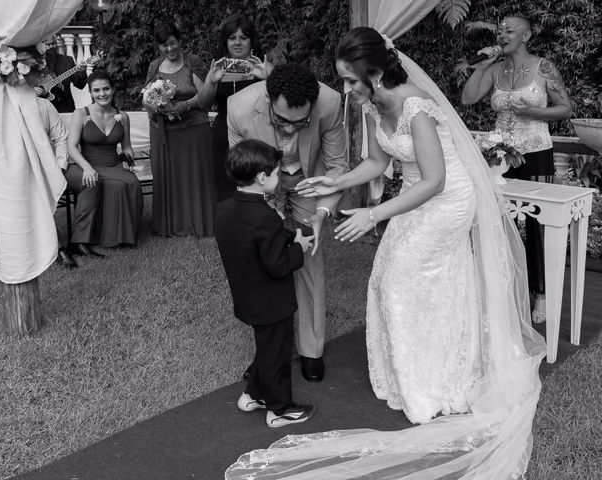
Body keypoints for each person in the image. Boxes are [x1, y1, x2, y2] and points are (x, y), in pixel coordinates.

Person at [226, 27, 545, 480]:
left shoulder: (416, 107)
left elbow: (435, 180)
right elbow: (377, 163)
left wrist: (373, 216)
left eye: (352, 80)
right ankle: (421, 374)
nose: (346, 89)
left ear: (374, 72)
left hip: (448, 201)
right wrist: (333, 184)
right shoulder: (372, 103)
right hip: (416, 197)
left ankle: (435, 385)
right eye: (344, 80)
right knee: (390, 280)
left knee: (401, 280)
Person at [227, 63, 349, 383]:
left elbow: (337, 167)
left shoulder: (330, 103)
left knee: (309, 255)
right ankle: (271, 346)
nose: (292, 130)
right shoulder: (238, 109)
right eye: (282, 121)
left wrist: (322, 215)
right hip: (264, 182)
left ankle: (311, 350)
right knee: (268, 257)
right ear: (269, 102)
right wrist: (273, 218)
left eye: (301, 122)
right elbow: (244, 174)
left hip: (311, 182)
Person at [461, 14, 572, 324]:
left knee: (536, 225)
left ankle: (541, 294)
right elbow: (468, 99)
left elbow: (566, 107)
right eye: (499, 30)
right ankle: (504, 288)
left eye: (509, 30)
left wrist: (535, 111)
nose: (502, 34)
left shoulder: (544, 67)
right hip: (500, 158)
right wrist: (483, 63)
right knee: (495, 221)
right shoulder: (494, 68)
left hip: (536, 153)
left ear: (527, 35)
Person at [215, 139, 316, 428]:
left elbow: (249, 242)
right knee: (278, 352)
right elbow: (279, 265)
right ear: (262, 177)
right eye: (276, 173)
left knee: (267, 348)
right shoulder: (266, 217)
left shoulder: (224, 209)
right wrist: (299, 248)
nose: (279, 177)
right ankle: (280, 409)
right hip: (273, 301)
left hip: (247, 294)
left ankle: (253, 394)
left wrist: (286, 238)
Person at [144, 22, 214, 237]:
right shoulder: (154, 67)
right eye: (164, 46)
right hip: (163, 131)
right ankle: (170, 224)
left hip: (193, 129)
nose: (169, 49)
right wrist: (157, 106)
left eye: (172, 43)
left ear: (179, 41)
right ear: (159, 48)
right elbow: (146, 98)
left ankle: (198, 222)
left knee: (195, 178)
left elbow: (206, 97)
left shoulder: (192, 62)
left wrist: (185, 105)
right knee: (169, 178)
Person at [196, 13, 272, 202]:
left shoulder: (263, 65)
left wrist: (267, 78)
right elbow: (203, 103)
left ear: (251, 40)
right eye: (232, 38)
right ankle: (229, 225)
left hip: (256, 133)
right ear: (225, 41)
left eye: (243, 38)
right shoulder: (218, 66)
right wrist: (212, 82)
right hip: (223, 133)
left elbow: (281, 100)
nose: (237, 43)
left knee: (256, 182)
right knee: (225, 184)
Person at [66, 71, 143, 253]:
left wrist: (127, 161)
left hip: (114, 164)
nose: (102, 94)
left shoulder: (122, 116)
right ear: (91, 93)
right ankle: (102, 236)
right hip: (89, 164)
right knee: (114, 185)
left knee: (132, 183)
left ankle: (126, 235)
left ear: (113, 89)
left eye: (106, 89)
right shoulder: (81, 114)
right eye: (97, 90)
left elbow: (126, 147)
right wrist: (86, 168)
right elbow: (71, 146)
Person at [36, 97, 78, 269]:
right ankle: (59, 247)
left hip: (49, 165)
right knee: (39, 189)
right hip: (18, 169)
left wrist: (60, 167)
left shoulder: (44, 105)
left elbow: (61, 137)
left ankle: (81, 240)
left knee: (89, 182)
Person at [34, 35, 88, 113]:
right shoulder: (33, 62)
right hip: (41, 109)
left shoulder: (67, 61)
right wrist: (32, 90)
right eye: (47, 44)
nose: (51, 47)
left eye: (53, 43)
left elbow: (80, 85)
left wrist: (82, 71)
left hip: (64, 109)